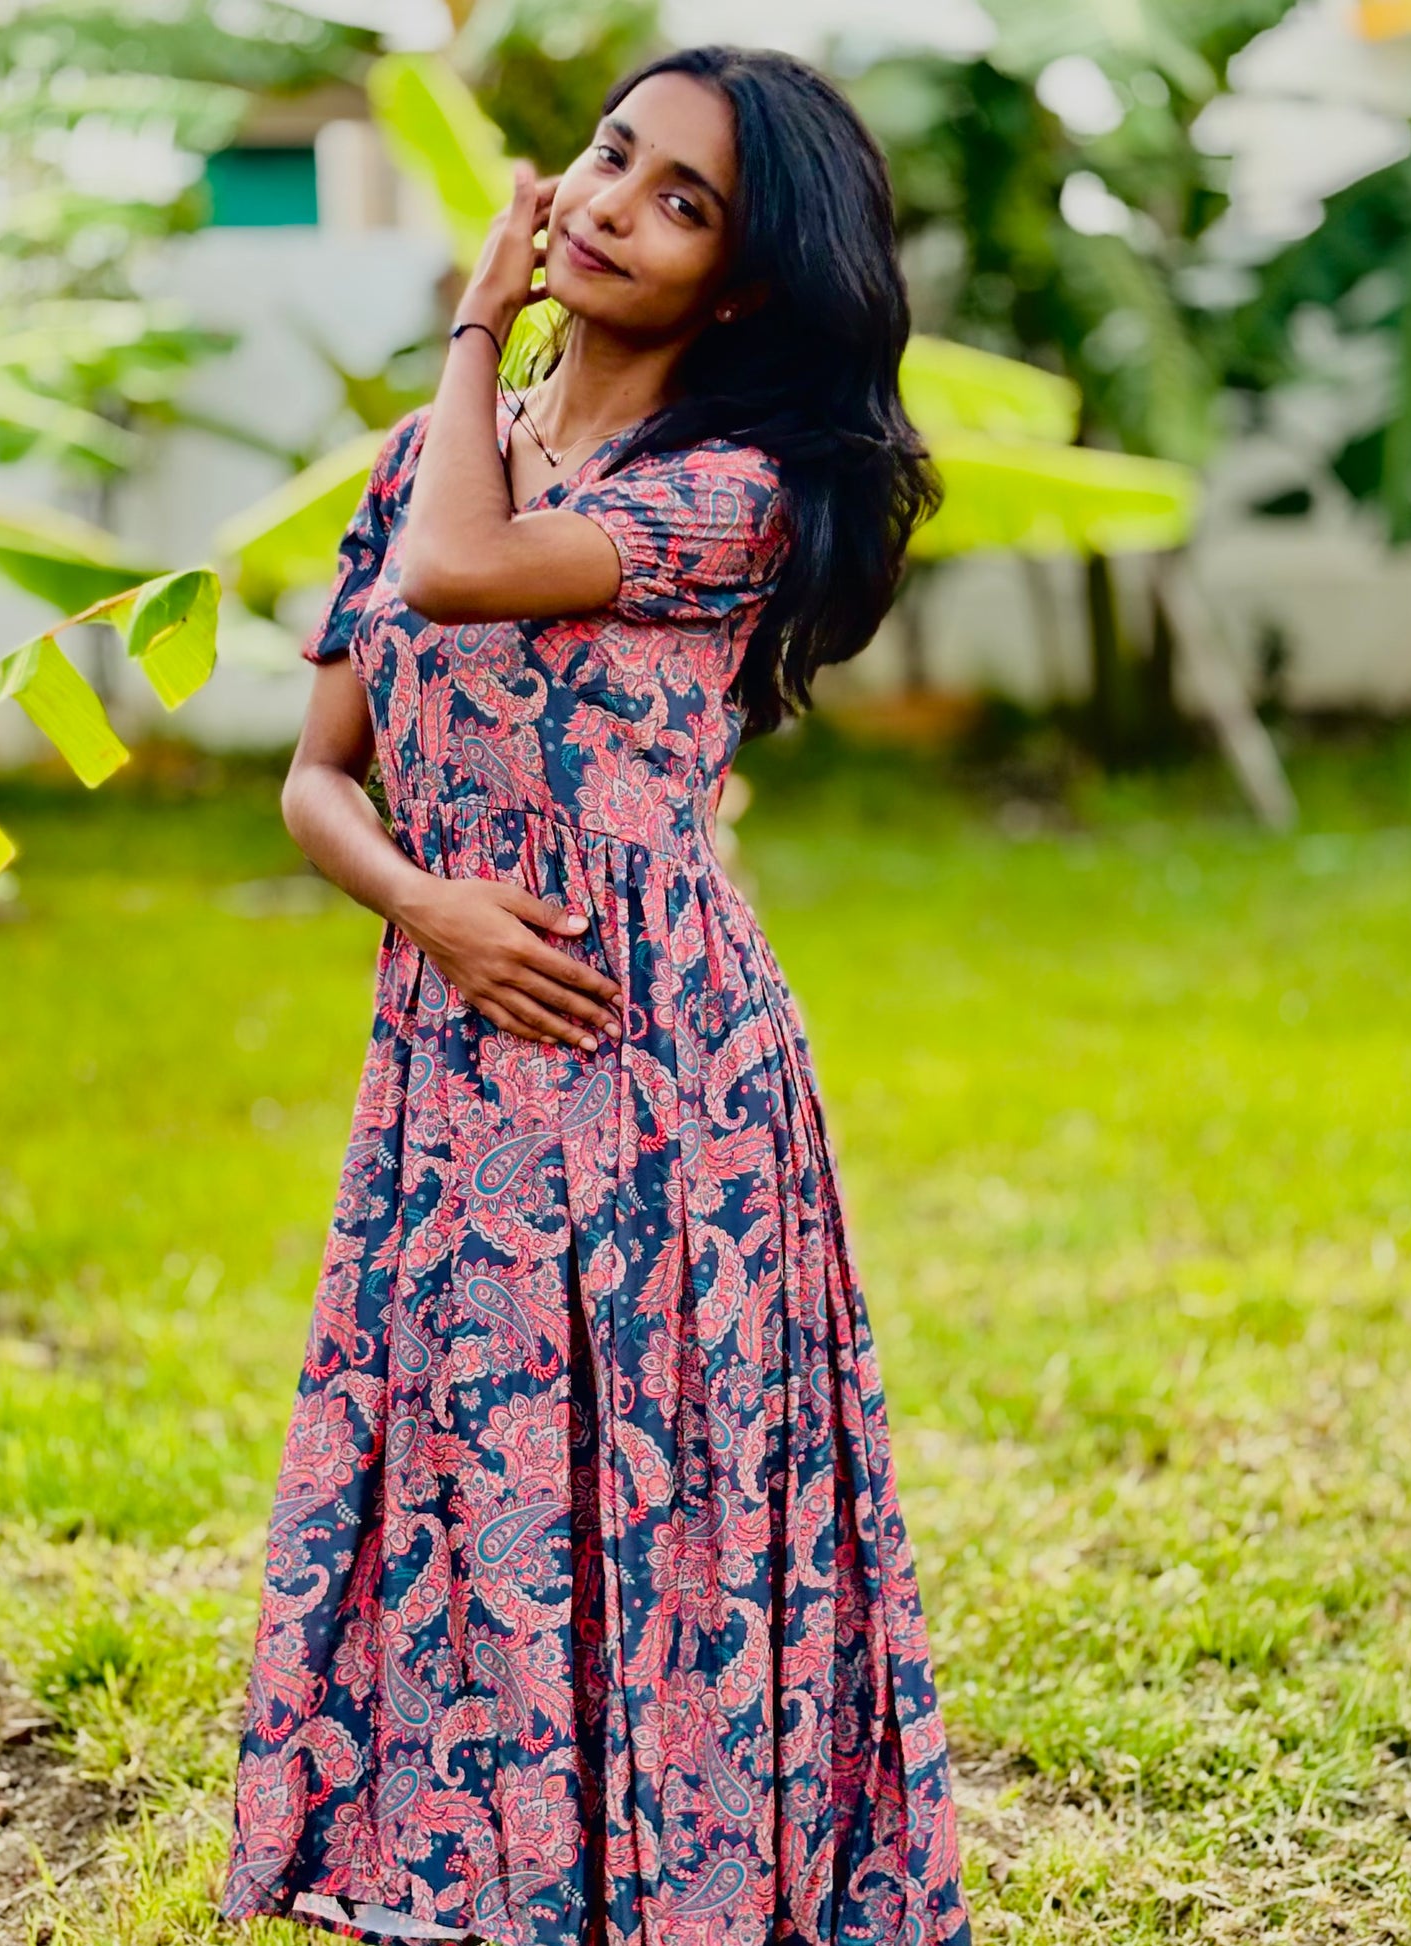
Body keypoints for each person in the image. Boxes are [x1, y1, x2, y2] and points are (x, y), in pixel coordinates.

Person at [221, 43, 970, 1946]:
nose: (614, 202)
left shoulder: (733, 494)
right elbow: (317, 773)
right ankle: (485, 1876)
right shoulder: (419, 461)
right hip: (459, 1040)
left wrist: (474, 321)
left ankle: (693, 1883)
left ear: (738, 282)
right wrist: (428, 909)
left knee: (665, 1477)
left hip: (657, 1056)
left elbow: (464, 573)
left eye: (682, 198)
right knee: (470, 1454)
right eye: (613, 157)